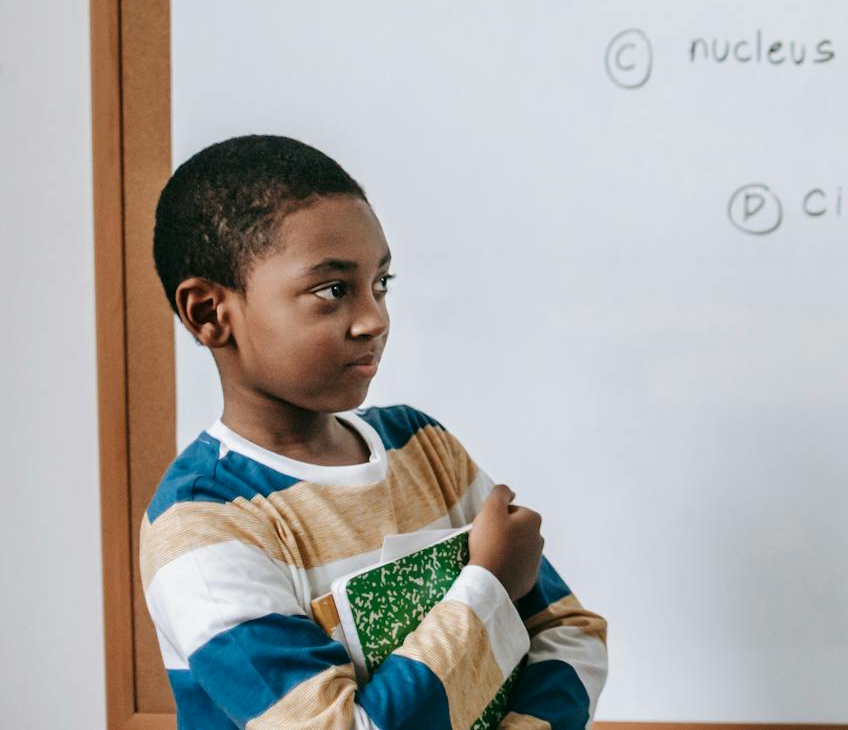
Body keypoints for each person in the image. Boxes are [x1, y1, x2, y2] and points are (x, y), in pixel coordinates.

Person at [140, 135, 607, 727]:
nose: (374, 319)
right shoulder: (203, 523)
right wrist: (487, 584)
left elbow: (570, 633)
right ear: (209, 313)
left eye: (380, 283)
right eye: (332, 290)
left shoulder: (421, 445)